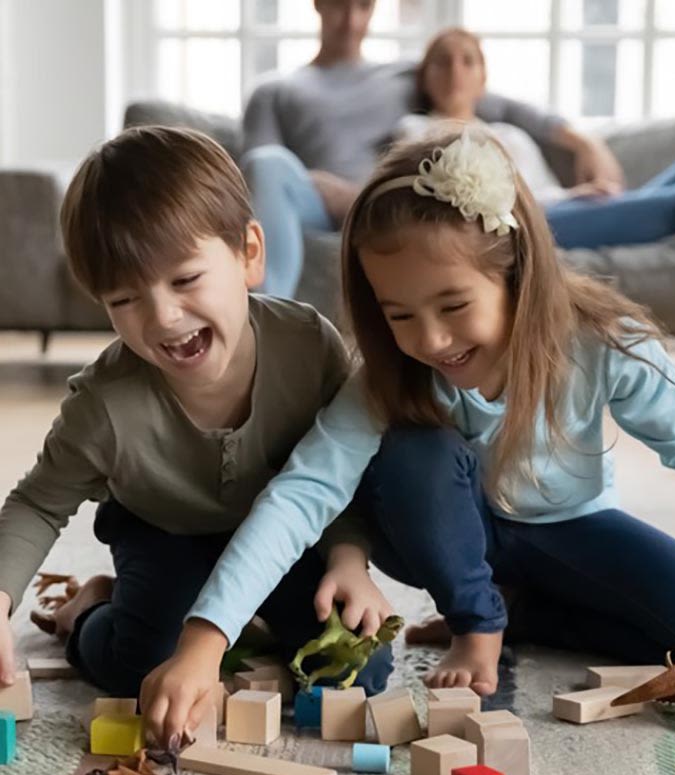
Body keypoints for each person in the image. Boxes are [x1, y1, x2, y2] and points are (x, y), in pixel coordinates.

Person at [141, 124, 675, 745]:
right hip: (441, 538)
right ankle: (479, 618)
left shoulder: (604, 343)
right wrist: (203, 640)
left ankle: (526, 614)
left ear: (517, 272)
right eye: (399, 315)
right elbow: (301, 493)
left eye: (454, 306)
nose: (429, 341)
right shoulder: (386, 379)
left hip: (571, 530)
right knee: (415, 449)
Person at [0, 125, 395, 705]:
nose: (162, 317)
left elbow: (337, 477)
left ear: (249, 255)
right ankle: (87, 611)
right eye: (124, 300)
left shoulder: (310, 347)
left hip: (284, 538)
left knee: (360, 664)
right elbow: (37, 504)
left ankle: (242, 620)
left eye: (185, 279)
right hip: (163, 534)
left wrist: (348, 558)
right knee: (140, 664)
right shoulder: (105, 403)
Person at [240, 2, 620, 296]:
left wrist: (584, 141)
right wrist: (319, 184)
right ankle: (269, 312)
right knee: (266, 162)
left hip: (395, 195)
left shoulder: (406, 77)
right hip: (320, 201)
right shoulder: (275, 90)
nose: (351, 20)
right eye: (339, 4)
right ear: (318, 4)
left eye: (364, 6)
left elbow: (498, 106)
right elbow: (258, 182)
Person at [403, 28, 675, 249]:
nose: (455, 73)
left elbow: (543, 190)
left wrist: (574, 195)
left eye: (467, 62)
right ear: (423, 79)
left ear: (483, 79)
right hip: (524, 229)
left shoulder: (510, 134)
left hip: (558, 209)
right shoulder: (415, 131)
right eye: (442, 62)